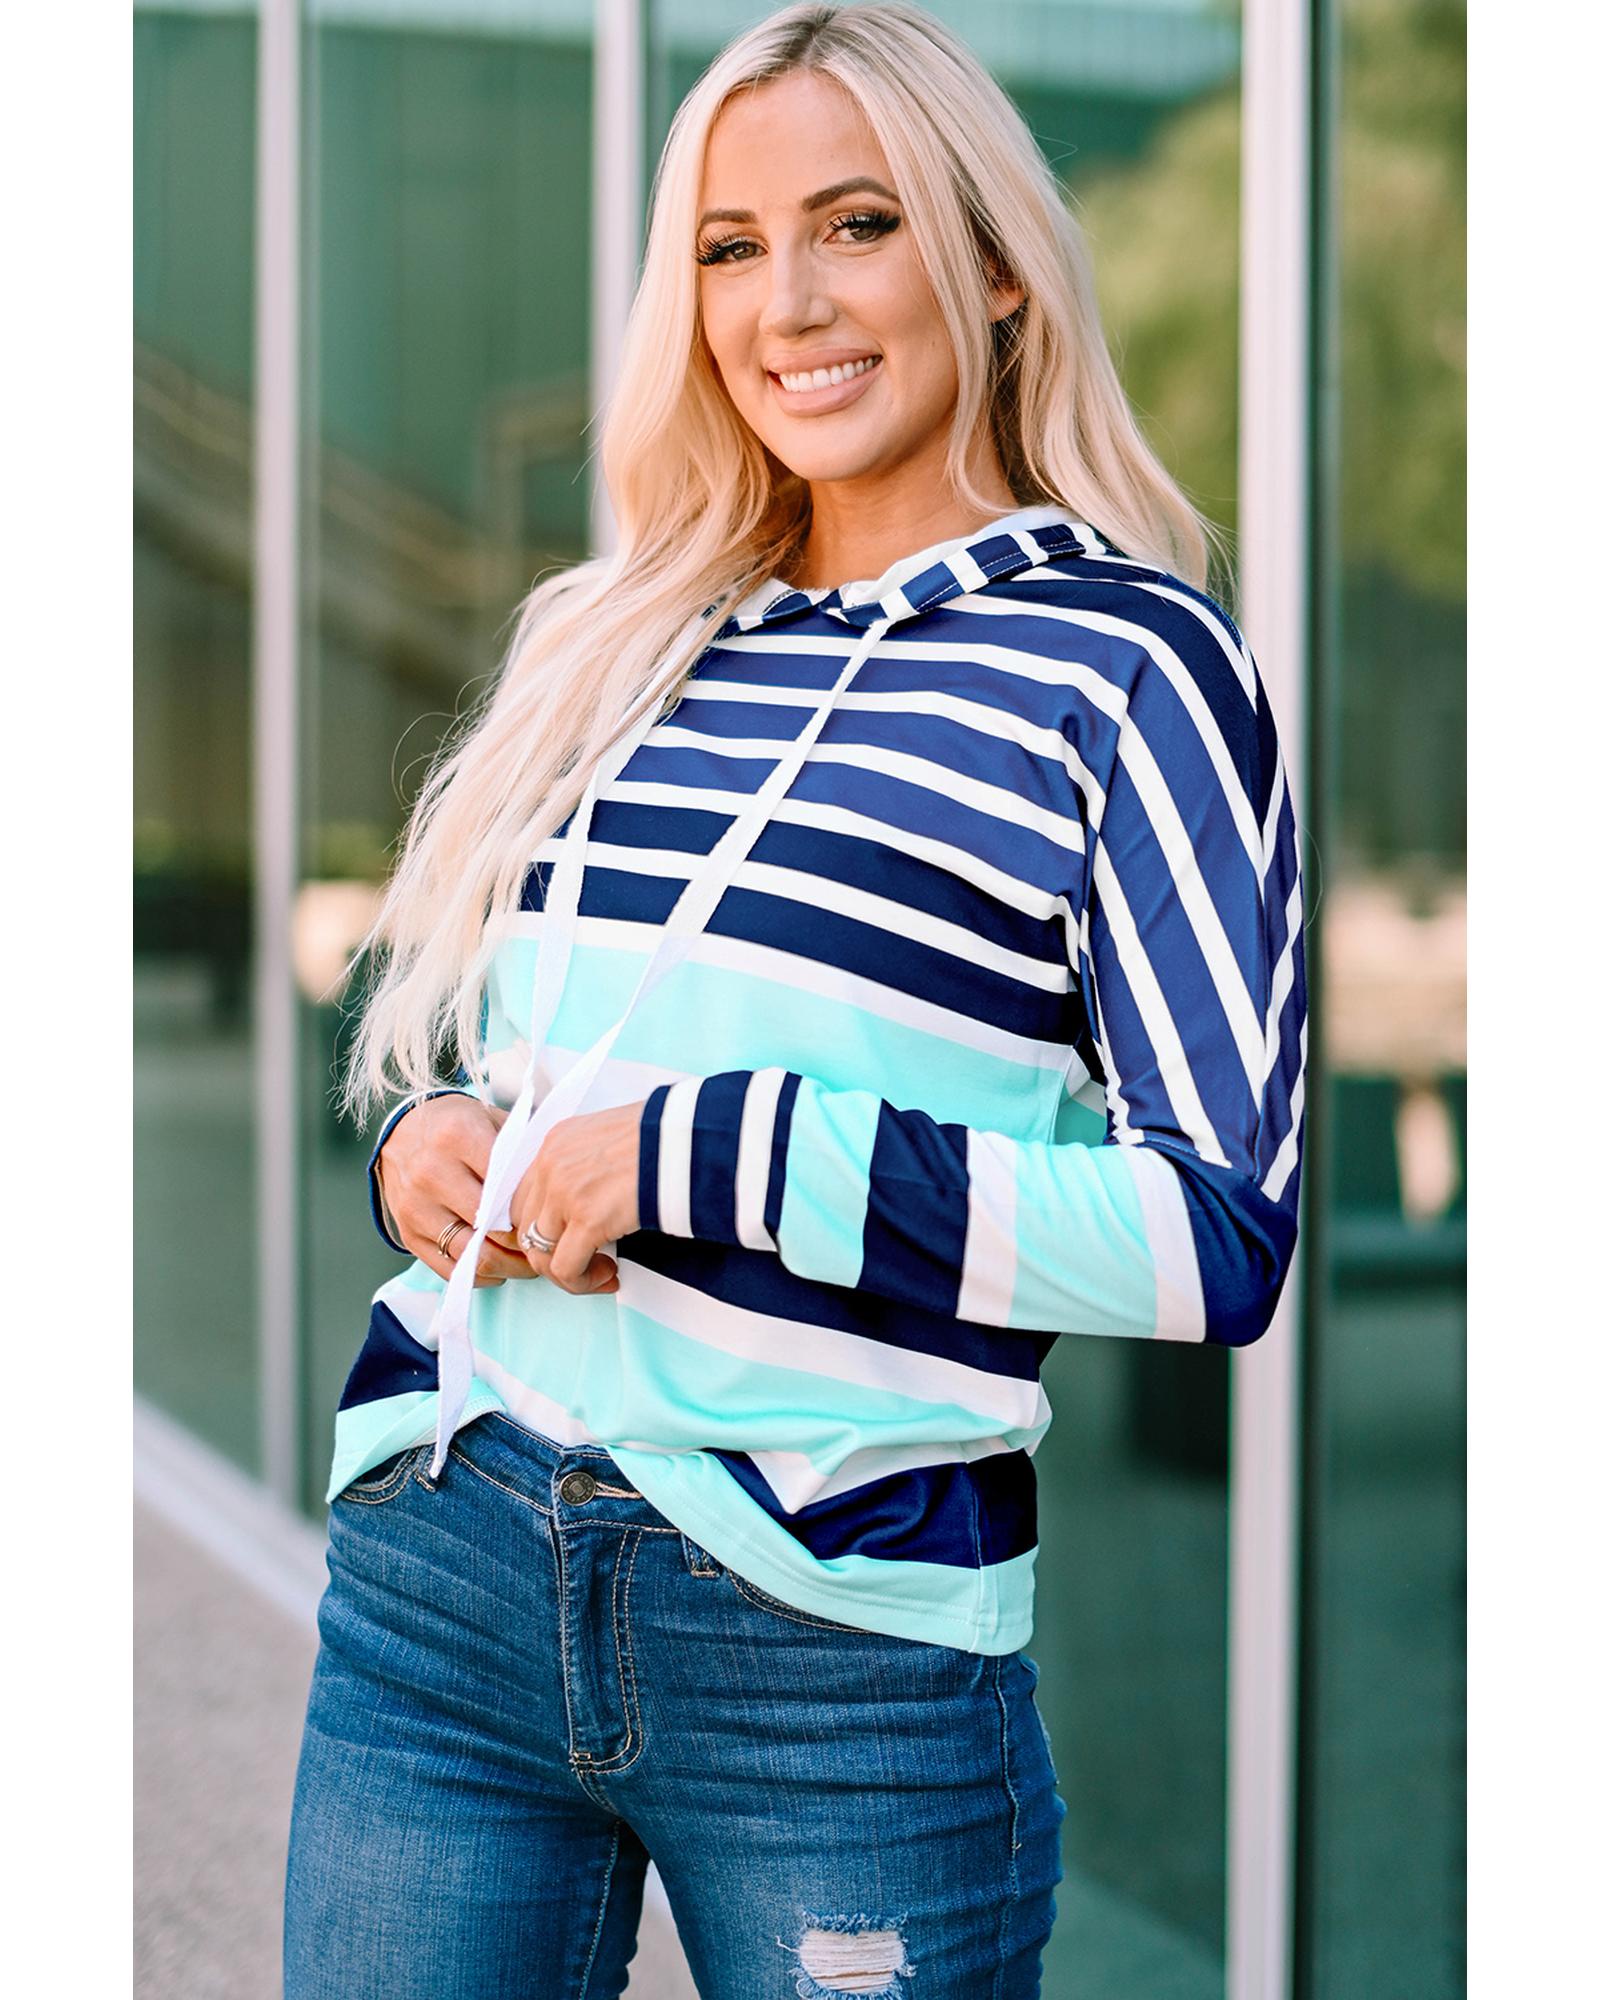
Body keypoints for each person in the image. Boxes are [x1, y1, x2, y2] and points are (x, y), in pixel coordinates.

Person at [283, 4, 1308, 1995]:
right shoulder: (615, 632)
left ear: (994, 265)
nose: (789, 305)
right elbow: (495, 1057)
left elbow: (1214, 1239)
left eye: (856, 223)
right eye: (730, 247)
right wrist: (430, 1145)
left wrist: (705, 1159)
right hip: (446, 1565)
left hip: (834, 1650)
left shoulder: (1129, 670)